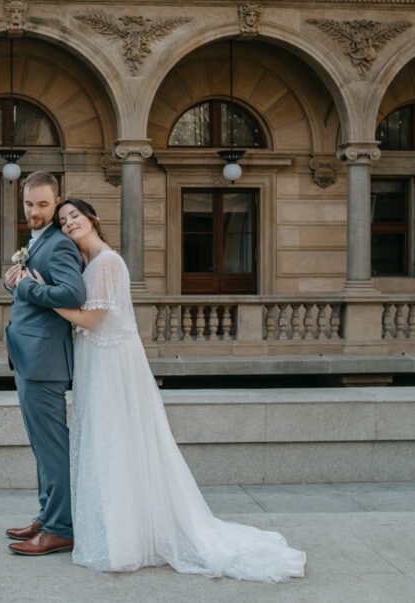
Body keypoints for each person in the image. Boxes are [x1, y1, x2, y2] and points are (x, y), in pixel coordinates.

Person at [21, 198, 306, 581]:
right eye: (63, 219)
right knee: (107, 443)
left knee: (114, 441)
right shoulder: (91, 263)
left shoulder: (106, 262)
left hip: (110, 363)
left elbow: (91, 318)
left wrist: (33, 290)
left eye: (75, 216)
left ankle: (124, 540)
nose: (69, 223)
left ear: (93, 217)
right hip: (97, 360)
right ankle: (116, 529)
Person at [2, 172, 86, 556]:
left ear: (57, 202)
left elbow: (72, 293)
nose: (33, 211)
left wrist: (25, 287)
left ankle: (60, 528)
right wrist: (13, 281)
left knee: (52, 448)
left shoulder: (59, 245)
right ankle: (47, 514)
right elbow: (31, 285)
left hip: (44, 362)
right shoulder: (39, 242)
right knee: (41, 446)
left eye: (42, 204)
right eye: (28, 204)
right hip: (29, 358)